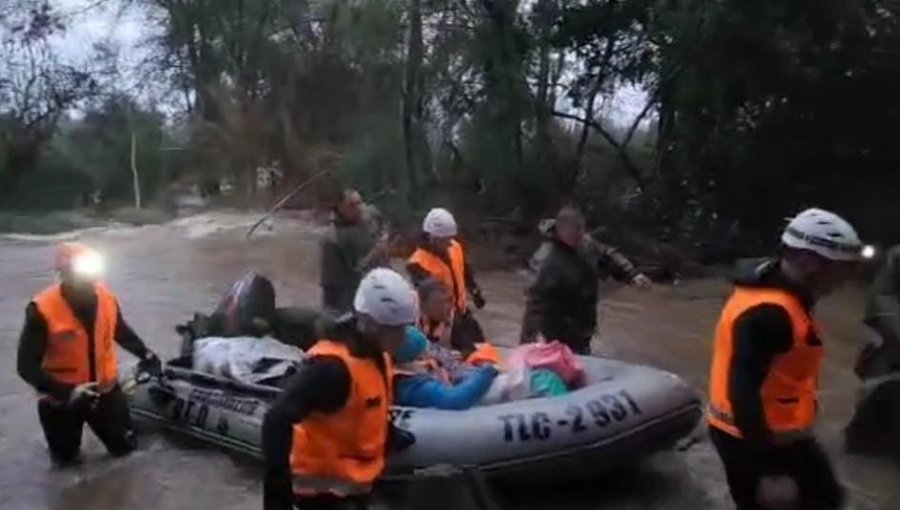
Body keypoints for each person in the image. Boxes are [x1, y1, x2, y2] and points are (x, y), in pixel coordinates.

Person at [707, 208, 866, 510]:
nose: (844, 280)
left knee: (827, 497)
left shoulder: (776, 283)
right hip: (752, 440)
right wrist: (769, 471)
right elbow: (742, 391)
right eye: (839, 269)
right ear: (808, 262)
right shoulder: (769, 314)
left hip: (782, 431)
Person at [262, 268, 416, 510]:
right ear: (369, 324)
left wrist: (390, 434)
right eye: (396, 329)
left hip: (356, 490)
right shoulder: (331, 369)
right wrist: (276, 498)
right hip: (322, 496)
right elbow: (276, 420)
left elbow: (361, 410)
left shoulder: (378, 357)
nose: (403, 337)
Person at [16, 242, 162, 467]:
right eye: (79, 275)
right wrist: (68, 392)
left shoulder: (106, 298)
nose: (87, 282)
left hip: (106, 393)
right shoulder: (41, 310)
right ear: (63, 274)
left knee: (128, 454)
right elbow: (26, 366)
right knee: (66, 468)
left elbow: (120, 331)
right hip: (61, 400)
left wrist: (147, 355)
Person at [520, 205, 650, 354]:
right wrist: (526, 344)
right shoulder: (545, 260)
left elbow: (607, 255)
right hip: (557, 328)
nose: (581, 235)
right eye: (575, 232)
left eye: (581, 229)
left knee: (583, 354)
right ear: (561, 231)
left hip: (583, 321)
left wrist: (631, 274)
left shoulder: (585, 243)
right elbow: (533, 304)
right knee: (564, 362)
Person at [407, 207, 486, 346]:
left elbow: (465, 270)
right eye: (446, 240)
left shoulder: (454, 247)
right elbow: (427, 299)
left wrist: (475, 291)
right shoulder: (417, 263)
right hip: (440, 320)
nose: (450, 243)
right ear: (432, 238)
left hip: (461, 311)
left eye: (451, 238)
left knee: (481, 348)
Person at [393, 326, 499, 410]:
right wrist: (487, 370)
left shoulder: (404, 377)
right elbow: (456, 398)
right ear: (415, 359)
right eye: (425, 354)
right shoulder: (411, 387)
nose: (429, 357)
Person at [320, 189, 390, 314]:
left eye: (360, 202)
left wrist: (384, 235)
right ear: (340, 208)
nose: (359, 208)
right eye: (352, 205)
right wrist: (375, 253)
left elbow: (383, 223)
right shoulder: (333, 239)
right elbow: (331, 284)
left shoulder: (370, 214)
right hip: (354, 299)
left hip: (382, 288)